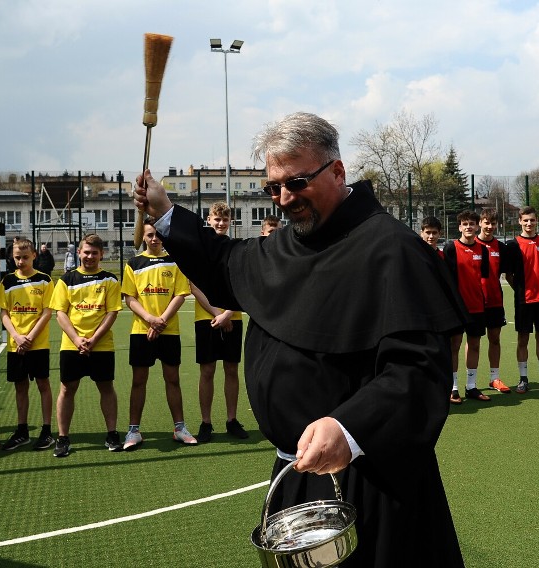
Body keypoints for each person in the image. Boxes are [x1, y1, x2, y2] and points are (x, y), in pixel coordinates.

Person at [134, 112, 467, 567]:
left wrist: (349, 428)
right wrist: (165, 210)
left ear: (337, 171)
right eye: (274, 187)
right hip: (294, 475)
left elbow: (420, 372)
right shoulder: (288, 244)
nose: (284, 199)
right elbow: (225, 263)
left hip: (368, 475)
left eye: (296, 182)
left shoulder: (392, 249)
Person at [121, 219, 196, 450]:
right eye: (150, 235)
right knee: (138, 381)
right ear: (143, 236)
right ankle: (133, 431)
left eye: (158, 235)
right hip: (141, 331)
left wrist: (161, 320)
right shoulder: (133, 263)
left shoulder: (174, 262)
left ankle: (180, 428)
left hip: (169, 330)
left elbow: (180, 294)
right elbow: (130, 298)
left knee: (172, 379)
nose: (155, 239)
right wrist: (151, 320)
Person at [49, 234, 123, 457]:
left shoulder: (109, 280)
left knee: (106, 387)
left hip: (101, 345)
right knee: (67, 389)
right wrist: (77, 339)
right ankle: (63, 438)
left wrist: (93, 339)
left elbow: (111, 313)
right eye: (86, 252)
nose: (89, 256)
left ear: (102, 254)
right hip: (72, 345)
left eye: (94, 253)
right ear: (78, 253)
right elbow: (60, 313)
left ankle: (112, 434)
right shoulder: (66, 280)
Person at [190, 202, 249, 443]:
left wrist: (228, 313)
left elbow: (244, 286)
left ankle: (232, 420)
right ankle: (206, 423)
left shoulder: (237, 249)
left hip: (232, 318)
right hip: (207, 319)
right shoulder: (199, 250)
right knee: (207, 371)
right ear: (208, 220)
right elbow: (194, 286)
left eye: (225, 219)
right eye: (217, 219)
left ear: (230, 221)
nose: (221, 223)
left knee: (232, 370)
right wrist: (217, 313)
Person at [0, 238, 55, 450]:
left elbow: (48, 312)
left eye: (25, 257)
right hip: (16, 345)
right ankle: (22, 431)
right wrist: (17, 337)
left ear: (34, 256)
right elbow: (4, 313)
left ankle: (47, 431)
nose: (21, 261)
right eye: (17, 258)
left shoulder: (45, 280)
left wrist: (29, 337)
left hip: (37, 344)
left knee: (43, 385)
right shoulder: (7, 282)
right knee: (21, 387)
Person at [505, 206, 539, 393]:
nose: (529, 223)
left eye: (532, 220)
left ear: (537, 221)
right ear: (520, 221)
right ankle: (523, 379)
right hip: (524, 300)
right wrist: (521, 290)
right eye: (526, 220)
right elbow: (509, 275)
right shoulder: (513, 245)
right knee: (523, 340)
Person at [443, 210, 491, 404]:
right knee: (454, 345)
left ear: (477, 226)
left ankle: (471, 386)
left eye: (472, 223)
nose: (469, 227)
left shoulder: (483, 250)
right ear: (459, 227)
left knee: (475, 344)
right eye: (465, 224)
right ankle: (453, 388)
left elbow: (484, 277)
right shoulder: (450, 248)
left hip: (477, 305)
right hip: (456, 307)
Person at [475, 208, 511, 394]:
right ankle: (470, 382)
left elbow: (507, 275)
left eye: (493, 223)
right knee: (473, 342)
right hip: (474, 302)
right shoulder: (472, 245)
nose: (489, 226)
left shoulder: (501, 248)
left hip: (495, 301)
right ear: (480, 223)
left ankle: (494, 378)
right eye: (486, 222)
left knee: (494, 339)